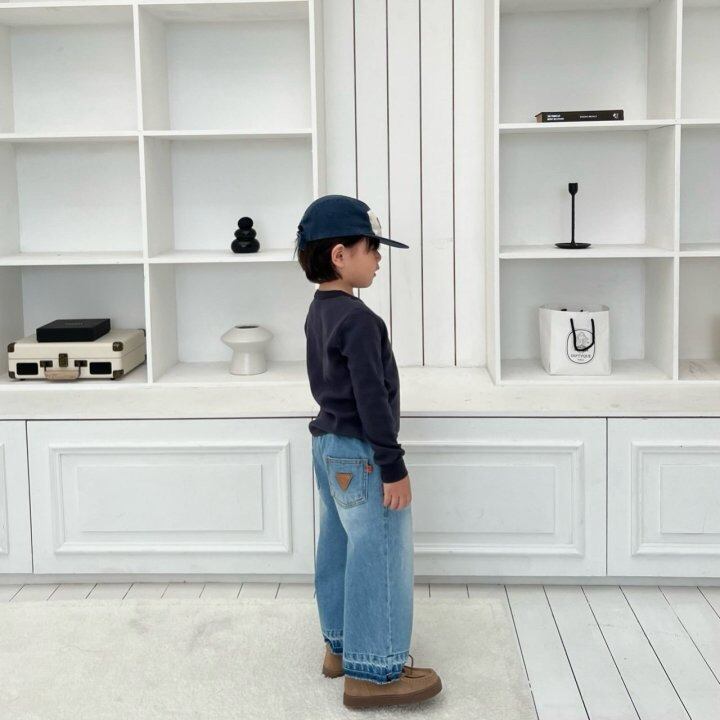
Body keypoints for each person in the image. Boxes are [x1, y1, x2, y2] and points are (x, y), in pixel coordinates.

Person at [295, 194, 443, 709]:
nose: (378, 258)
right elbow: (370, 399)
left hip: (327, 446)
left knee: (339, 544)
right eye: (372, 248)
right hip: (360, 452)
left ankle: (339, 647)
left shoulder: (320, 311)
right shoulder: (359, 320)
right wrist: (392, 464)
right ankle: (375, 670)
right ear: (340, 255)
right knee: (379, 551)